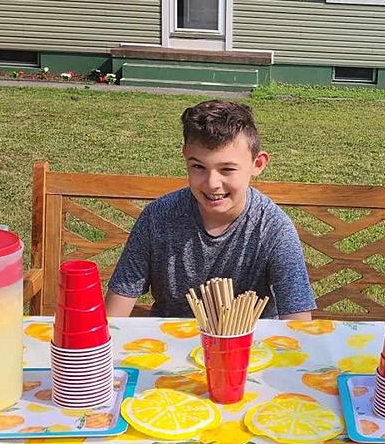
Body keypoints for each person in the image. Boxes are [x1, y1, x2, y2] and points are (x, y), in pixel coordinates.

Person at [105, 100, 316, 320]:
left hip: (250, 349)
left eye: (227, 169)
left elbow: (298, 325)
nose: (212, 183)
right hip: (170, 348)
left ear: (258, 164)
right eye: (198, 167)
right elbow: (113, 317)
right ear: (185, 156)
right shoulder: (158, 218)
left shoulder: (273, 229)